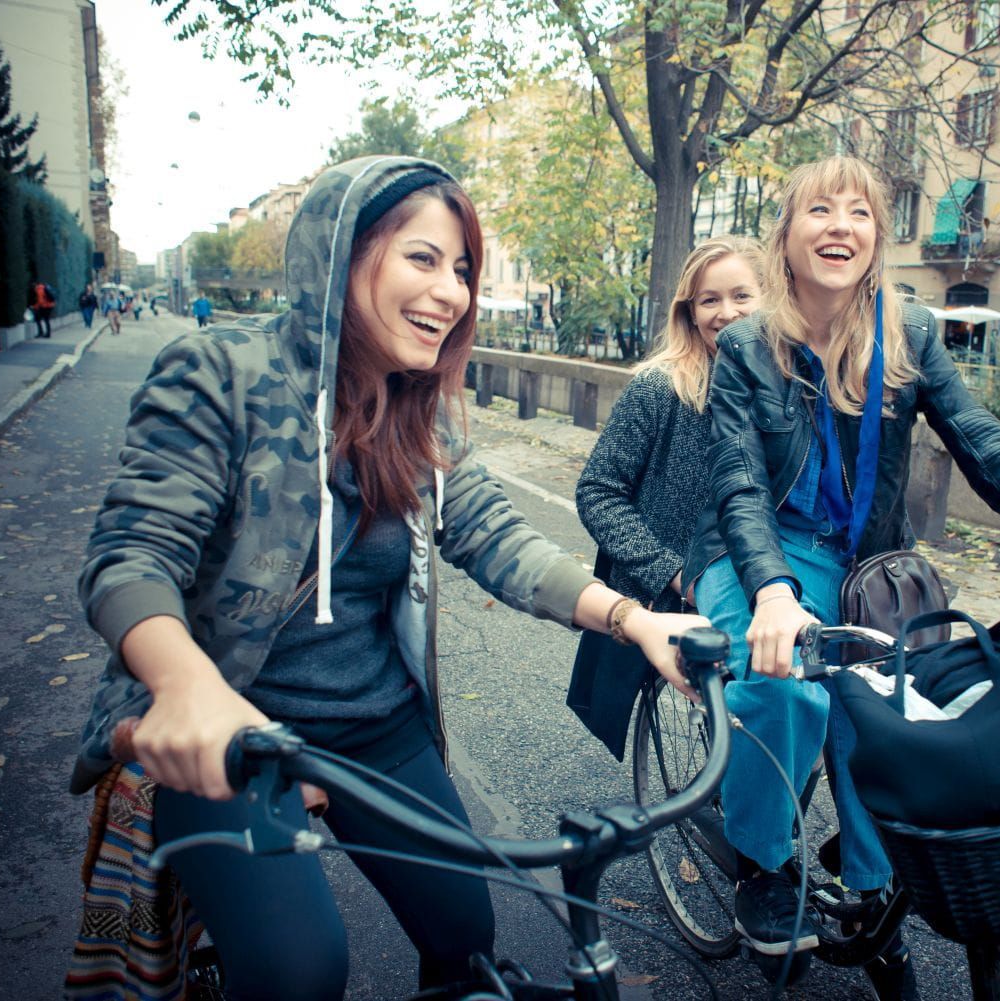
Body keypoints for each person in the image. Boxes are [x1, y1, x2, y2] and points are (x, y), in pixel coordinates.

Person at [66, 156, 706, 1001]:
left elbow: (497, 537)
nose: (451, 291)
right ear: (342, 251)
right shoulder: (219, 372)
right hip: (237, 739)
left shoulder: (421, 408)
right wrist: (189, 692)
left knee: (467, 936)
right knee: (299, 972)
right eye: (423, 258)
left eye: (464, 269)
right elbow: (132, 553)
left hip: (378, 727)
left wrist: (635, 619)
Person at [680, 156, 1000, 971]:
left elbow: (989, 452)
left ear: (877, 239)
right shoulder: (745, 344)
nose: (840, 225)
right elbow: (737, 486)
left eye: (859, 213)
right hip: (759, 551)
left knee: (915, 710)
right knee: (783, 689)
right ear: (787, 234)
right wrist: (770, 592)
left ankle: (879, 880)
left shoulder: (908, 334)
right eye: (819, 210)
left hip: (869, 563)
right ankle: (766, 865)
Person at [570, 236, 764, 758]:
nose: (728, 313)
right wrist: (671, 572)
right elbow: (598, 492)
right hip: (672, 591)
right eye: (710, 300)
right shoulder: (659, 390)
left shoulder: (783, 397)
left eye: (743, 296)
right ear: (690, 312)